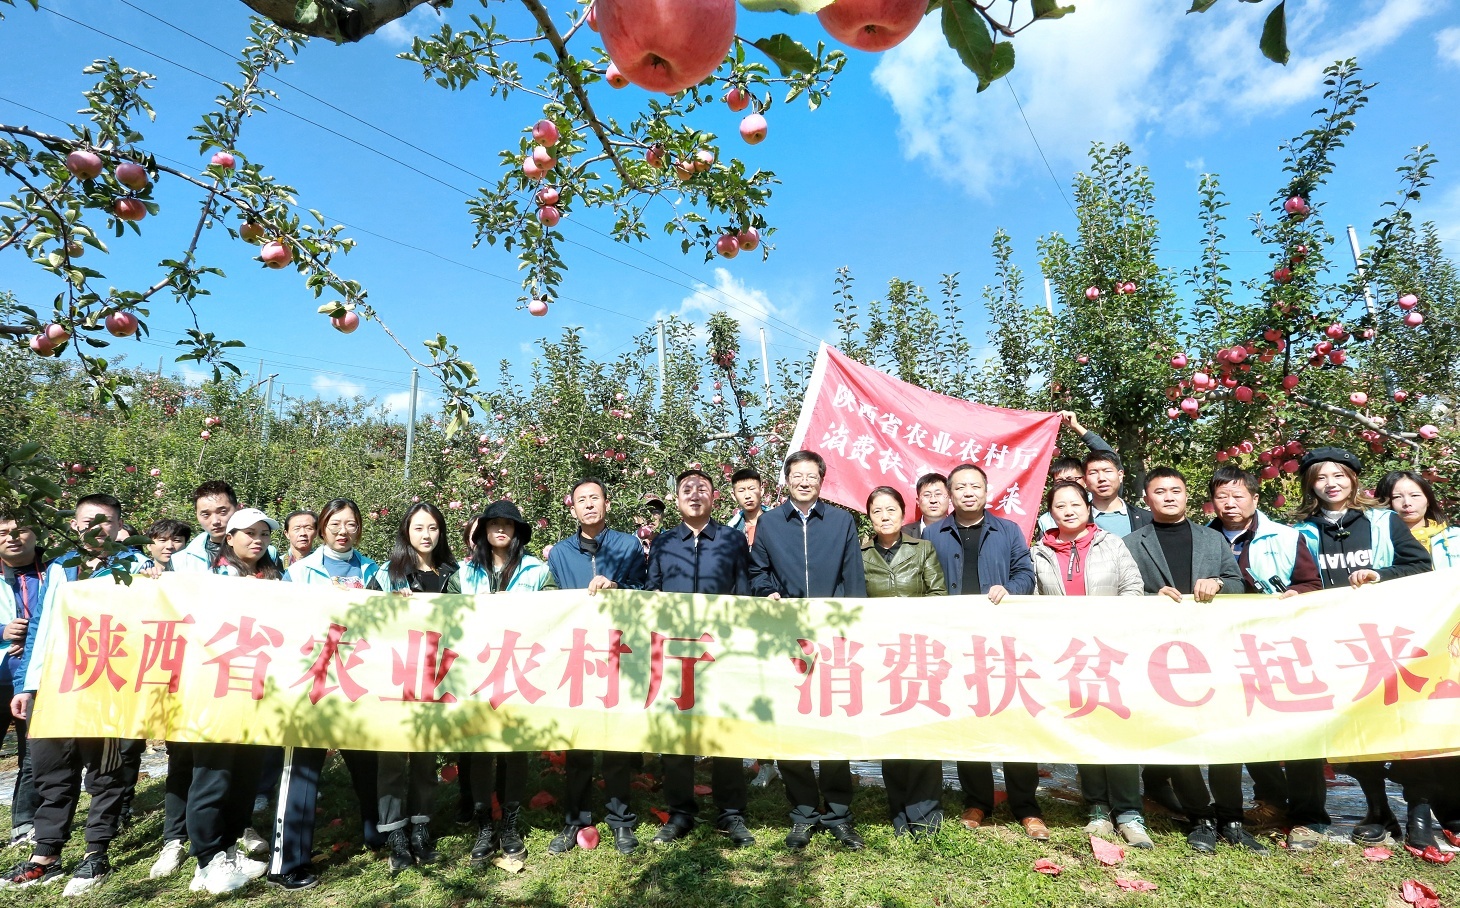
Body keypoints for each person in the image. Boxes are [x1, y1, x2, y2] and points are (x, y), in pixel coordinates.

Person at [2, 494, 153, 896]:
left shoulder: (137, 567)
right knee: (52, 768)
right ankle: (45, 854)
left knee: (105, 770)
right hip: (54, 683)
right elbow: (40, 628)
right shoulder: (60, 567)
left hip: (105, 683)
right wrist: (26, 685)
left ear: (120, 526)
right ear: (74, 524)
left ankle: (95, 852)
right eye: (88, 520)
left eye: (106, 521)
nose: (96, 528)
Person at [1293, 449, 1432, 852]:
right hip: (1333, 644)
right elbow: (1300, 582)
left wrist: (1381, 575)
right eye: (1321, 478)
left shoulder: (1384, 521)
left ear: (1354, 480)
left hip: (1390, 642)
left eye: (1339, 475)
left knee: (1405, 729)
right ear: (1311, 485)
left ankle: (1417, 813)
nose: (1330, 483)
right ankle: (1377, 811)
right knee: (1352, 732)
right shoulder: (1301, 532)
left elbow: (1421, 567)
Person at [1123, 468, 1262, 854]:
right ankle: (1199, 816)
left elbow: (1237, 583)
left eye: (1176, 490)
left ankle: (1232, 818)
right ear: (1147, 500)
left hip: (1212, 650)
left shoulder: (1212, 538)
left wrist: (1218, 583)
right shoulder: (1131, 544)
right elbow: (1121, 596)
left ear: (1188, 497)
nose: (1169, 497)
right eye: (1159, 492)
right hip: (1160, 655)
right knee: (1178, 734)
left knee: (1224, 734)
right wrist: (1151, 597)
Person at [749, 450, 868, 851]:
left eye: (811, 476)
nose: (804, 481)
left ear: (822, 480)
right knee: (790, 725)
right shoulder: (768, 523)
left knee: (834, 723)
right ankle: (803, 812)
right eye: (796, 475)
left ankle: (838, 814)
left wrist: (853, 625)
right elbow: (758, 571)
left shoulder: (840, 521)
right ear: (786, 480)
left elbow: (853, 576)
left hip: (833, 638)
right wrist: (768, 592)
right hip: (786, 638)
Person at [270, 499, 385, 891]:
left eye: (351, 524)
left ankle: (379, 834)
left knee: (369, 761)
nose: (342, 530)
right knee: (302, 769)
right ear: (321, 528)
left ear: (359, 529)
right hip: (312, 681)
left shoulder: (373, 570)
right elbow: (283, 622)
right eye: (334, 523)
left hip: (358, 679)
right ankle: (290, 862)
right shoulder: (299, 572)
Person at [923, 464, 1042, 839]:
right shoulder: (933, 533)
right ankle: (977, 799)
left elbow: (1026, 572)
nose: (968, 492)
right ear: (950, 494)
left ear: (987, 492)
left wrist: (1011, 589)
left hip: (1003, 639)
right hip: (955, 641)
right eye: (960, 487)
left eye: (975, 486)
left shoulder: (1007, 531)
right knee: (967, 719)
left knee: (1015, 718)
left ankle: (1026, 805)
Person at [1029, 481, 1150, 848]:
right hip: (1068, 656)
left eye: (1075, 504)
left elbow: (1133, 587)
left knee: (1119, 729)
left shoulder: (1111, 544)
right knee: (1086, 728)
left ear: (1088, 507)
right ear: (1051, 513)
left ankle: (1129, 813)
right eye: (1059, 505)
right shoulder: (1039, 553)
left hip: (1110, 652)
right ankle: (1097, 809)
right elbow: (1032, 602)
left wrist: (1113, 627)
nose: (1068, 510)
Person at [1206, 464, 1324, 834]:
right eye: (1221, 496)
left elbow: (1312, 584)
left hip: (1281, 648)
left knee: (1297, 728)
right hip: (1225, 651)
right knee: (1243, 728)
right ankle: (1268, 802)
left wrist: (1294, 595)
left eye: (1238, 496)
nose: (1229, 504)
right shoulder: (1204, 538)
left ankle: (1308, 816)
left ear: (1255, 499)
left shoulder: (1287, 537)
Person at [645, 469, 757, 849]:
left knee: (725, 729)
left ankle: (732, 813)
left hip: (721, 650)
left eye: (702, 489)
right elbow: (651, 593)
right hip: (676, 652)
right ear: (676, 499)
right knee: (678, 734)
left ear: (714, 498)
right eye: (686, 490)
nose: (694, 495)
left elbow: (744, 592)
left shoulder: (731, 539)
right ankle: (680, 812)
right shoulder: (662, 543)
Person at [545, 479, 648, 855]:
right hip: (578, 655)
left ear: (606, 504)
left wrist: (617, 585)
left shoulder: (628, 544)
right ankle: (576, 820)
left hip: (618, 653)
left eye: (595, 498)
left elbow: (645, 588)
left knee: (617, 742)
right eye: (581, 500)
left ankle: (621, 821)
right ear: (572, 509)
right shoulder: (559, 553)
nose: (589, 505)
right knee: (578, 744)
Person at [184, 508, 283, 894]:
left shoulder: (275, 577)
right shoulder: (209, 576)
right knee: (213, 775)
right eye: (248, 533)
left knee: (245, 774)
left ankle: (228, 847)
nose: (257, 540)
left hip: (258, 692)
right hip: (216, 690)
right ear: (229, 537)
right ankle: (207, 859)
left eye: (263, 533)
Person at [152, 480, 244, 878]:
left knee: (227, 759)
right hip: (191, 671)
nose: (214, 520)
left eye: (221, 511)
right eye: (205, 514)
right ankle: (174, 840)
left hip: (237, 669)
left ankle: (226, 838)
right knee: (184, 758)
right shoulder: (183, 559)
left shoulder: (257, 547)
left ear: (235, 508)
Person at [456, 499, 556, 867]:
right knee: (481, 747)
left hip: (520, 669)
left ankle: (510, 823)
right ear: (482, 530)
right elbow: (446, 614)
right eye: (493, 523)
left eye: (508, 524)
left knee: (514, 748)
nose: (501, 529)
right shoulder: (464, 574)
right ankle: (485, 824)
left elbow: (554, 610)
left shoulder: (536, 570)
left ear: (516, 532)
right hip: (477, 669)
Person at [366, 502, 459, 875]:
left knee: (424, 757)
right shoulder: (387, 576)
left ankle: (421, 828)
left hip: (437, 677)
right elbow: (365, 622)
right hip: (395, 678)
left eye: (433, 528)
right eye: (419, 527)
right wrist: (389, 606)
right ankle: (395, 836)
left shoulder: (454, 575)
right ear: (406, 532)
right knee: (391, 759)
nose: (426, 535)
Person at [861, 486, 947, 838]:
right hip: (880, 656)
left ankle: (925, 813)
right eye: (877, 511)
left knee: (924, 731)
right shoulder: (859, 553)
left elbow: (939, 595)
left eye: (891, 509)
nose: (885, 516)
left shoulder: (922, 548)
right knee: (892, 734)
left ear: (902, 513)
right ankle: (898, 811)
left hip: (918, 653)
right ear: (869, 517)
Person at [0, 514, 44, 847]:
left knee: (32, 753)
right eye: (3, 533)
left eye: (20, 531)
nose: (12, 538)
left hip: (35, 677)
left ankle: (24, 824)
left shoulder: (58, 571)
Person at [1036, 411, 1119, 533]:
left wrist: (1076, 427)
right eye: (1059, 481)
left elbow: (1110, 458)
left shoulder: (1101, 499)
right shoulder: (1047, 520)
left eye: (1071, 480)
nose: (1066, 485)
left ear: (1085, 480)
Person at [1378, 470, 1460, 569]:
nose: (1407, 503)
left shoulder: (1455, 538)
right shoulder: (1377, 542)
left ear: (1428, 500)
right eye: (1397, 497)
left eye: (1415, 495)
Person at [1082, 451, 1153, 538]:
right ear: (1085, 480)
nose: (1101, 478)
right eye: (1093, 473)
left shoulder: (1147, 519)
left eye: (1107, 471)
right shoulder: (1076, 520)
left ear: (1120, 476)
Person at [726, 467, 770, 546]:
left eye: (752, 489)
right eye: (741, 490)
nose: (747, 496)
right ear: (733, 495)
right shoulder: (731, 529)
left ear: (761, 490)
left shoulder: (778, 522)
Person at [902, 472, 950, 539]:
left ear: (950, 498)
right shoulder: (903, 534)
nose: (933, 500)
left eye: (938, 494)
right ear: (918, 501)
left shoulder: (960, 530)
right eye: (927, 495)